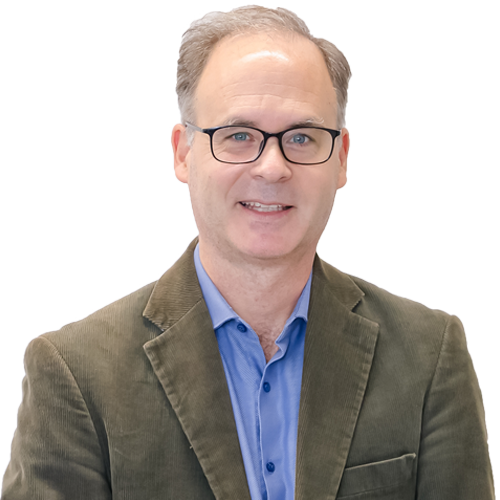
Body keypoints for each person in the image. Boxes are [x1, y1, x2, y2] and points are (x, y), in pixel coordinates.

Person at [2, 6, 494, 500]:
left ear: (341, 158)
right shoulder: (75, 373)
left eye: (302, 137)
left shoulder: (430, 356)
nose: (272, 167)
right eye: (239, 136)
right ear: (183, 153)